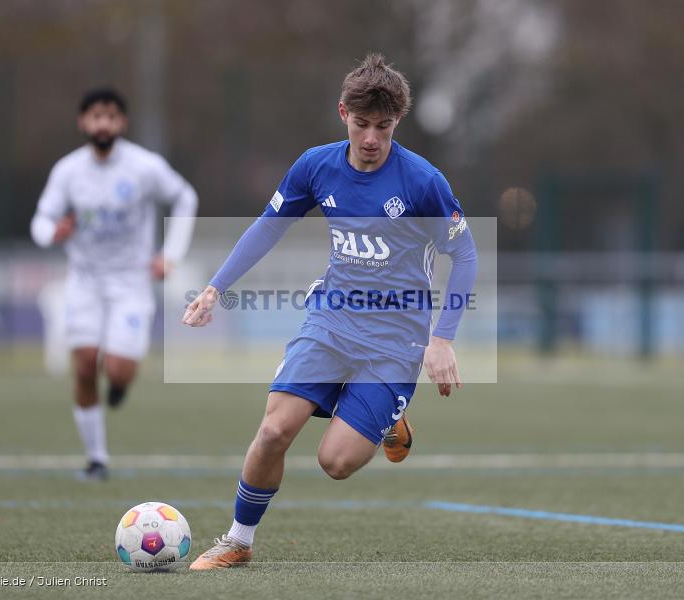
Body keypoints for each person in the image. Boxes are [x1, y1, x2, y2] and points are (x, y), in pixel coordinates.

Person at [182, 54, 477, 569]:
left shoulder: (423, 182)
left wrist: (442, 337)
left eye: (383, 127)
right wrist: (215, 287)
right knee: (274, 431)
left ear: (397, 123)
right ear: (343, 113)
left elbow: (466, 253)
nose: (370, 138)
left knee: (335, 463)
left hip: (396, 339)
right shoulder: (316, 166)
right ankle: (237, 541)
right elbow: (268, 226)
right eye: (362, 124)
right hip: (331, 320)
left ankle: (390, 416)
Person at [31, 87, 198, 481]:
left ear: (121, 123)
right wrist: (52, 231)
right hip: (84, 282)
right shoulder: (68, 171)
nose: (102, 123)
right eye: (95, 116)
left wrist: (170, 255)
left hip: (131, 284)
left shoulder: (144, 166)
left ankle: (120, 385)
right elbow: (41, 219)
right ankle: (96, 459)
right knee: (85, 365)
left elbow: (185, 197)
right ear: (83, 122)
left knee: (118, 371)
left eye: (110, 116)